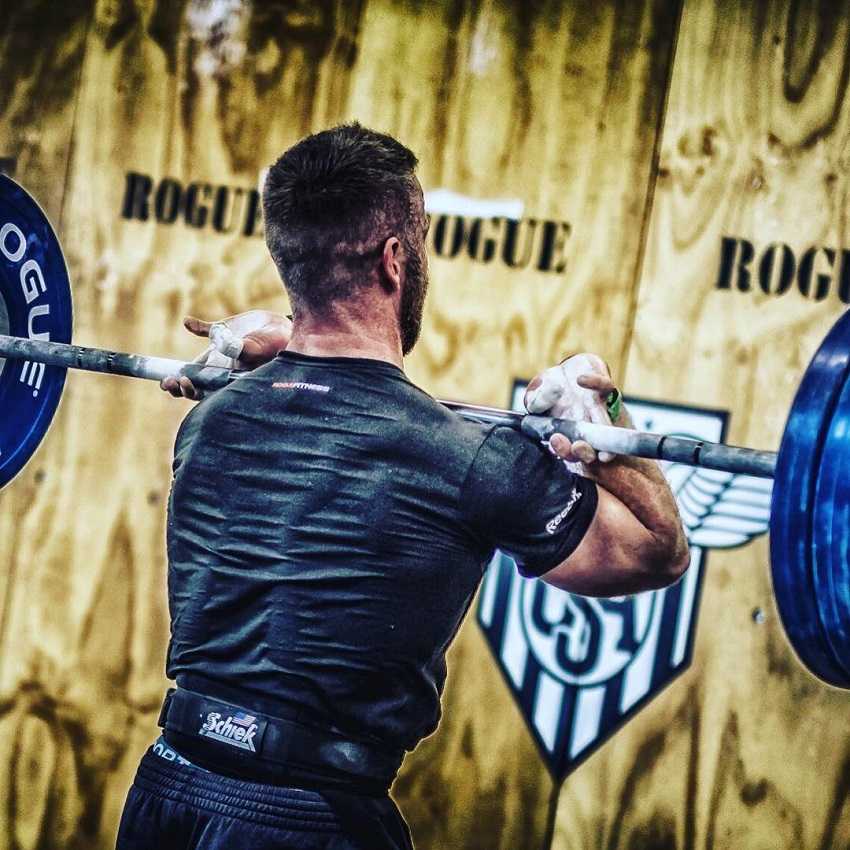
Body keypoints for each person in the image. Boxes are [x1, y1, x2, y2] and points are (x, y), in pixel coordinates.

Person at [116, 123, 689, 849]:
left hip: (166, 794)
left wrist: (280, 344)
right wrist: (598, 407)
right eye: (418, 239)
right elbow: (658, 551)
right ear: (396, 260)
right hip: (307, 825)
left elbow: (312, 402)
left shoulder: (213, 420)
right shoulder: (468, 456)